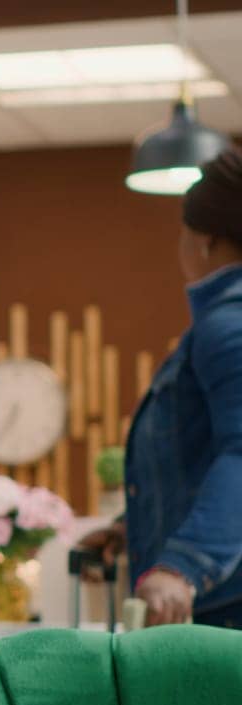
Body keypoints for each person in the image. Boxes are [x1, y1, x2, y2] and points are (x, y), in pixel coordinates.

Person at [77, 148, 242, 630]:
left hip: (224, 611)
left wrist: (182, 566)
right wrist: (140, 529)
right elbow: (200, 458)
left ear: (205, 241)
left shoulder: (228, 327)